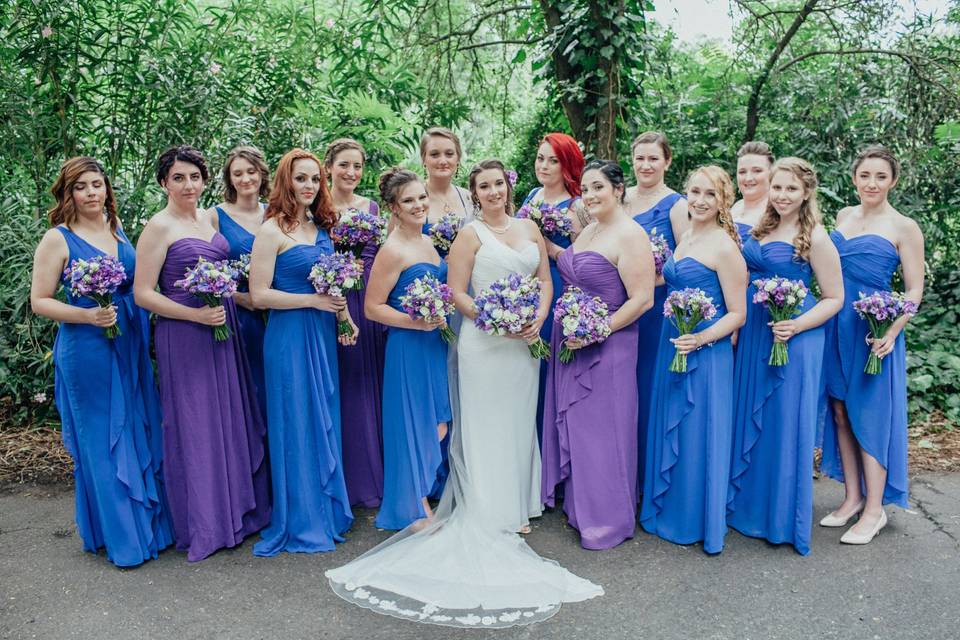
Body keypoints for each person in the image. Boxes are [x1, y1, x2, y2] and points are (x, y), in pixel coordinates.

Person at [325, 160, 602, 628]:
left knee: (516, 420)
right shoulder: (466, 235)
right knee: (480, 420)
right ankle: (484, 506)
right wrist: (496, 320)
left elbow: (545, 280)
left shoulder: (530, 226)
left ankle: (517, 506)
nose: (493, 191)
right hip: (484, 340)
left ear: (508, 187)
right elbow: (455, 292)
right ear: (474, 194)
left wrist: (536, 316)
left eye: (499, 183)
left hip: (523, 346)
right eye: (484, 186)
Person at [30, 156, 173, 567]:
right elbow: (40, 302)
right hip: (87, 349)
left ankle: (148, 527)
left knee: (136, 428)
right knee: (102, 440)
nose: (92, 193)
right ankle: (123, 539)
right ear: (68, 193)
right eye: (82, 186)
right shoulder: (57, 239)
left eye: (97, 184)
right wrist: (87, 315)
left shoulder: (116, 228)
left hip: (127, 343)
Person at [134, 145, 270, 562]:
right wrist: (194, 317)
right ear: (164, 183)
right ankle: (206, 524)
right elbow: (143, 294)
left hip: (221, 327)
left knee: (225, 417)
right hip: (186, 333)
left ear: (205, 180)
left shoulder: (206, 220)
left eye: (194, 177)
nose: (187, 185)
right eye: (178, 178)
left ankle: (234, 513)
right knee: (195, 423)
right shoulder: (159, 227)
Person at [727, 158, 843, 555]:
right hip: (758, 332)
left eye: (791, 189)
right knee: (752, 418)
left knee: (782, 423)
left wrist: (797, 326)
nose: (782, 195)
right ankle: (747, 509)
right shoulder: (762, 226)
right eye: (777, 187)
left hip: (794, 335)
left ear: (807, 192)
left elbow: (834, 298)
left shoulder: (817, 237)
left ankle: (779, 520)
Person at [541, 160, 655, 550]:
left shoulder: (631, 235)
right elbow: (570, 267)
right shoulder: (589, 228)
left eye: (597, 188)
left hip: (610, 347)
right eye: (585, 190)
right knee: (580, 428)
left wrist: (596, 330)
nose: (589, 197)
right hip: (573, 341)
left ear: (618, 190)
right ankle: (580, 507)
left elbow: (642, 300)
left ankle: (607, 518)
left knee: (605, 431)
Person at [247, 148, 356, 556]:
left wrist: (344, 316)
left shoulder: (321, 226)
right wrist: (311, 302)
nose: (309, 186)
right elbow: (259, 295)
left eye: (314, 179)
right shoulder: (271, 230)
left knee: (323, 414)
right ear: (285, 182)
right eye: (301, 179)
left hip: (322, 335)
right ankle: (301, 518)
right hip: (289, 336)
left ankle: (325, 509)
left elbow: (332, 289)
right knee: (296, 419)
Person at [820, 145, 924, 544]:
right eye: (865, 176)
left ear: (893, 181)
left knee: (872, 416)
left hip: (873, 331)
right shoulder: (843, 216)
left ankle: (876, 510)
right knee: (841, 411)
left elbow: (913, 290)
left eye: (881, 176)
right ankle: (852, 498)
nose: (872, 183)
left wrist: (892, 330)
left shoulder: (904, 227)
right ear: (854, 178)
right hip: (836, 326)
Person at [640, 165, 747, 554]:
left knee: (700, 429)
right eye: (694, 192)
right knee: (675, 426)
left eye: (710, 195)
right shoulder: (685, 237)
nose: (700, 201)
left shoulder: (724, 247)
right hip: (674, 340)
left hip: (707, 351)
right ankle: (670, 507)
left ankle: (697, 519)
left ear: (723, 202)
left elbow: (738, 313)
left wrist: (700, 337)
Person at [364, 168, 450, 530]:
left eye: (421, 198)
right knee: (416, 423)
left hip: (434, 345)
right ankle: (413, 505)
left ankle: (424, 493)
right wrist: (415, 321)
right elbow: (373, 307)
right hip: (408, 346)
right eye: (408, 200)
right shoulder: (392, 249)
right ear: (394, 208)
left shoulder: (429, 242)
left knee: (440, 422)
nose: (418, 205)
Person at [623, 131, 689, 494]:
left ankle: (648, 481)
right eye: (640, 158)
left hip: (654, 312)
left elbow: (684, 262)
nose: (645, 165)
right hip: (619, 307)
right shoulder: (620, 198)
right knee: (620, 391)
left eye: (653, 158)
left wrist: (647, 282)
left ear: (667, 161)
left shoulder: (677, 206)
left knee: (648, 389)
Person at [324, 138, 387, 509]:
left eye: (358, 166)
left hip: (366, 297)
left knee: (368, 382)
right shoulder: (320, 205)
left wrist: (364, 266)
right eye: (344, 165)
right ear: (329, 166)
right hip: (333, 298)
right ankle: (347, 478)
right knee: (343, 382)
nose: (351, 173)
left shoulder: (371, 207)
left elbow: (378, 249)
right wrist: (340, 272)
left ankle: (373, 473)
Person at [519, 132, 589, 437]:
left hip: (558, 287)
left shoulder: (577, 206)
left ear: (567, 165)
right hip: (524, 286)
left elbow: (582, 261)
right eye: (540, 158)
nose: (544, 166)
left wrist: (548, 245)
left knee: (545, 361)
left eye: (553, 160)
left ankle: (548, 439)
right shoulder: (531, 195)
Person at [209, 145, 270, 412]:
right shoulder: (214, 216)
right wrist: (239, 297)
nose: (246, 179)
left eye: (251, 171)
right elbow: (207, 273)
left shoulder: (275, 214)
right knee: (245, 389)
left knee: (271, 385)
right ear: (229, 179)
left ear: (262, 174)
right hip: (237, 314)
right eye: (238, 173)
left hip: (274, 311)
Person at [731, 141, 774, 243]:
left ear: (771, 173)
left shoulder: (775, 211)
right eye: (742, 172)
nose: (748, 178)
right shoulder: (736, 206)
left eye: (757, 171)